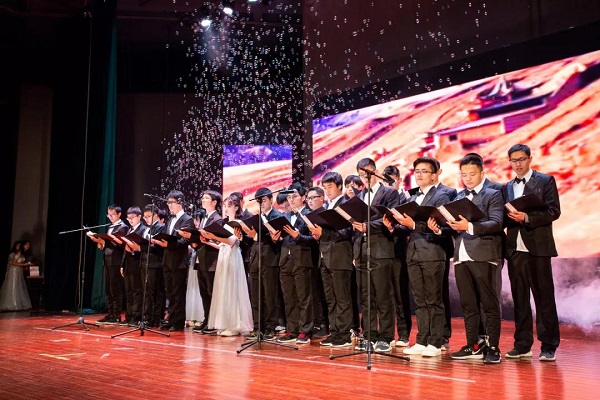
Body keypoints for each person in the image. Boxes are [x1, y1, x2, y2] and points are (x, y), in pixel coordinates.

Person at [502, 144, 561, 361]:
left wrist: (527, 218)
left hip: (538, 247)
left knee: (544, 297)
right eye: (514, 160)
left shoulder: (545, 181)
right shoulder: (507, 187)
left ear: (530, 159)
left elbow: (554, 211)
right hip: (515, 248)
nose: (518, 164)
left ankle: (548, 345)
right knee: (519, 298)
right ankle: (522, 345)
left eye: (521, 159)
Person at [389, 157, 451, 357]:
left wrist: (414, 225)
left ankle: (436, 341)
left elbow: (442, 225)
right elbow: (408, 228)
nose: (419, 175)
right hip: (413, 252)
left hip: (433, 252)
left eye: (424, 171)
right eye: (417, 171)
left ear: (434, 175)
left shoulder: (443, 195)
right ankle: (422, 339)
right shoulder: (413, 197)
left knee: (434, 299)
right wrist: (393, 227)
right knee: (420, 300)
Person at [446, 154, 504, 364]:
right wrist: (442, 227)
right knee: (468, 304)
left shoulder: (493, 194)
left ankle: (493, 347)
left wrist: (469, 226)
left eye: (472, 174)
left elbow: (497, 222)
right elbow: (453, 226)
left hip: (484, 254)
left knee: (489, 303)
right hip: (461, 255)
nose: (468, 178)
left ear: (482, 173)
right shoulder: (458, 196)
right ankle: (473, 345)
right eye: (464, 175)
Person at [353, 158, 403, 353]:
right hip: (362, 250)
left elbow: (389, 219)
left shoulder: (389, 193)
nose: (364, 177)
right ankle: (369, 335)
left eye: (368, 173)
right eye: (361, 175)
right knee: (366, 296)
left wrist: (367, 226)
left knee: (383, 296)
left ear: (375, 172)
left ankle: (386, 336)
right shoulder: (359, 197)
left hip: (381, 250)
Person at [309, 172, 355, 348]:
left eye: (330, 187)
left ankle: (344, 334)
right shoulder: (327, 206)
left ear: (339, 186)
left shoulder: (346, 205)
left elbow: (346, 232)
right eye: (325, 187)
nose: (327, 190)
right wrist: (318, 234)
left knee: (342, 298)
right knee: (330, 298)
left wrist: (323, 232)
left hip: (340, 257)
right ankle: (334, 332)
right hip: (324, 257)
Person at [202, 195, 253, 336]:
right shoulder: (224, 224)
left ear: (236, 207)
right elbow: (222, 245)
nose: (226, 209)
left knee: (232, 288)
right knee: (223, 288)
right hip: (223, 256)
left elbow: (232, 242)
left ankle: (234, 325)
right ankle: (224, 323)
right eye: (224, 206)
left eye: (229, 206)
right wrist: (208, 241)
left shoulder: (238, 223)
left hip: (233, 257)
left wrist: (213, 236)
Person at [276, 183, 317, 345]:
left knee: (303, 297)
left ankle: (305, 330)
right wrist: (276, 238)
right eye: (289, 197)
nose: (291, 200)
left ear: (303, 197)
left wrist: (298, 236)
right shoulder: (285, 216)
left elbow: (314, 240)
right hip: (285, 259)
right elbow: (283, 238)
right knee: (289, 297)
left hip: (302, 259)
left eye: (294, 196)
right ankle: (292, 329)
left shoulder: (309, 214)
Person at [242, 187, 283, 339]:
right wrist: (244, 236)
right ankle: (258, 326)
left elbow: (277, 240)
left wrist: (257, 236)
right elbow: (253, 240)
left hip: (270, 258)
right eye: (259, 201)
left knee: (270, 295)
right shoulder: (257, 217)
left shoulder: (277, 216)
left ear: (271, 200)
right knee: (256, 295)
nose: (261, 204)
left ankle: (271, 326)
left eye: (264, 200)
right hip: (256, 258)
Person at [156, 190, 194, 332]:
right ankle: (171, 318)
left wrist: (169, 244)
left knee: (178, 292)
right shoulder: (170, 219)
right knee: (170, 292)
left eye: (171, 202)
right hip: (167, 260)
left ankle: (178, 322)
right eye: (168, 203)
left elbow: (185, 241)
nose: (169, 205)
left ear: (180, 202)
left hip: (178, 261)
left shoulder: (187, 219)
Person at [188, 190, 223, 334]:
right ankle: (207, 319)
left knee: (211, 292)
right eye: (203, 198)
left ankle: (213, 322)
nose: (203, 200)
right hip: (201, 258)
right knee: (203, 292)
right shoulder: (204, 217)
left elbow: (217, 239)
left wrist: (206, 238)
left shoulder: (218, 219)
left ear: (214, 202)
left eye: (207, 198)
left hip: (211, 259)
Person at [87, 204, 129, 324]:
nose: (110, 217)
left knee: (115, 289)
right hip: (107, 259)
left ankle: (116, 314)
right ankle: (110, 313)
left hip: (116, 260)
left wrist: (103, 241)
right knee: (108, 289)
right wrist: (99, 241)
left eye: (112, 215)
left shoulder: (123, 227)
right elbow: (106, 245)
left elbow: (118, 244)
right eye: (108, 215)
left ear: (119, 214)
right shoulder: (110, 226)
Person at [139, 204, 166, 327]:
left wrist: (150, 242)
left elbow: (160, 246)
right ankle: (147, 317)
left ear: (155, 215)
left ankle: (156, 318)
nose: (146, 219)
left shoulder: (160, 227)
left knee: (156, 291)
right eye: (144, 217)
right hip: (145, 261)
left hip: (155, 262)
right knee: (147, 291)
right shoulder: (146, 228)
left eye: (148, 216)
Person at [185, 209, 205, 327]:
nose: (195, 223)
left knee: (200, 289)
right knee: (193, 287)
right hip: (194, 259)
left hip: (202, 259)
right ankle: (193, 315)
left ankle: (201, 316)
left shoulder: (203, 231)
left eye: (197, 220)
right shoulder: (193, 231)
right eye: (194, 220)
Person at [0, 241, 32, 311]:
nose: (28, 246)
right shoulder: (19, 252)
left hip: (18, 271)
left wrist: (25, 266)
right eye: (26, 244)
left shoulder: (23, 253)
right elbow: (13, 263)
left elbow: (19, 263)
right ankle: (13, 304)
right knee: (14, 286)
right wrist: (24, 264)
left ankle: (17, 303)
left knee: (18, 286)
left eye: (29, 244)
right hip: (14, 271)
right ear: (23, 245)